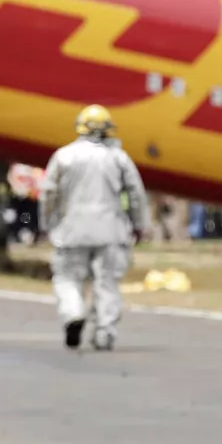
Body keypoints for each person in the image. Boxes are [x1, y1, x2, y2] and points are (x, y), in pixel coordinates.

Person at [40, 104, 149, 351]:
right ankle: (105, 333)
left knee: (67, 278)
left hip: (71, 230)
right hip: (111, 231)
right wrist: (139, 224)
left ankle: (73, 313)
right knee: (107, 282)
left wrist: (46, 223)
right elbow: (136, 194)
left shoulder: (63, 156)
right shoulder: (118, 157)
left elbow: (48, 193)